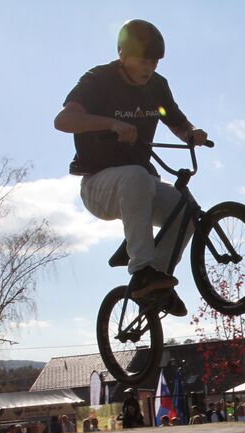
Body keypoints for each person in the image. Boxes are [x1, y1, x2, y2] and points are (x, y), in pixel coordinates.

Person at [54, 19, 209, 318]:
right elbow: (63, 120)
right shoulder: (98, 80)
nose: (149, 68)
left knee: (186, 210)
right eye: (143, 61)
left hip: (140, 184)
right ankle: (142, 270)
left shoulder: (157, 87)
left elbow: (176, 122)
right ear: (123, 55)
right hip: (98, 185)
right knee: (137, 176)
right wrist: (111, 123)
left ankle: (157, 283)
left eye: (154, 62)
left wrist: (192, 133)